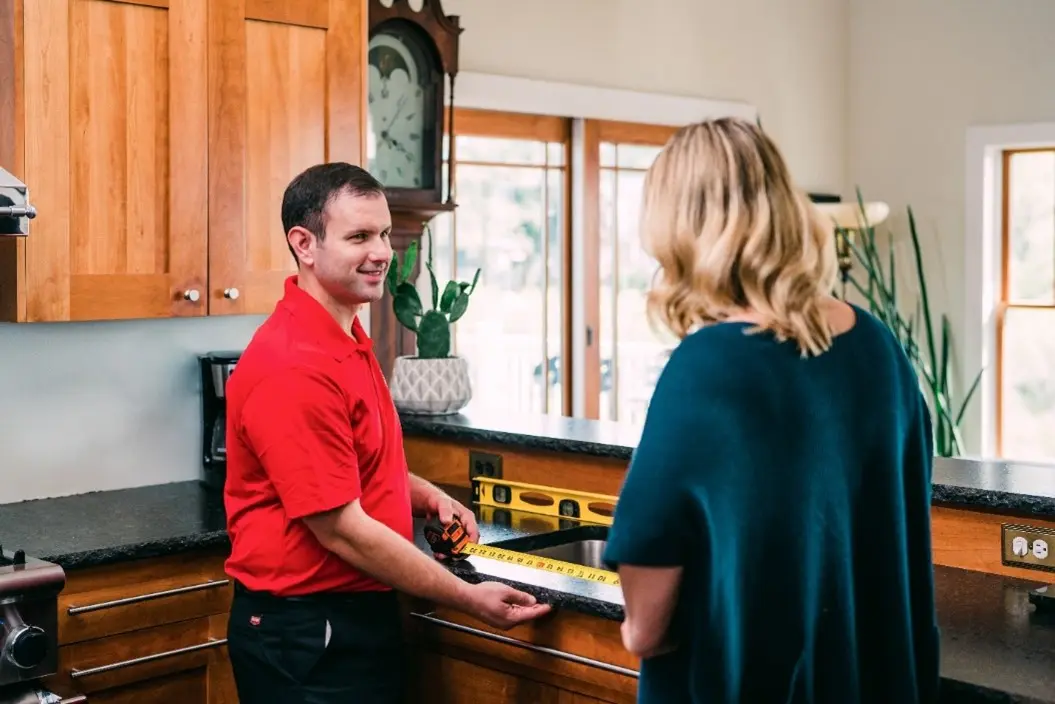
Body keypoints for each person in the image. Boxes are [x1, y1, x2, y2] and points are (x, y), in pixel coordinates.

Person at [602, 118, 939, 704]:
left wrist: (634, 628)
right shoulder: (878, 348)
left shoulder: (706, 366)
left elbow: (648, 623)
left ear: (680, 230)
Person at [222, 162, 551, 704]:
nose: (380, 252)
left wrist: (424, 495)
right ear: (304, 244)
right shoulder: (294, 363)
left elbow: (357, 460)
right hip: (306, 632)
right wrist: (468, 599)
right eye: (358, 236)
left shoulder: (346, 334)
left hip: (351, 613)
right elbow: (342, 528)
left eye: (382, 233)